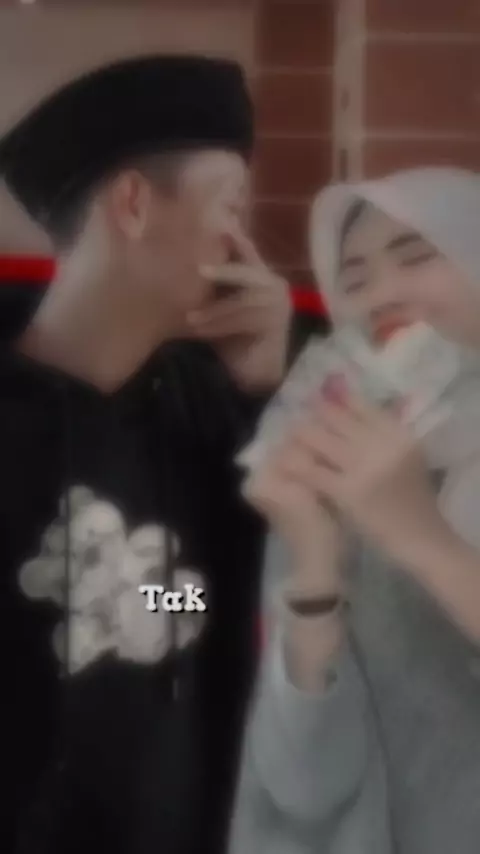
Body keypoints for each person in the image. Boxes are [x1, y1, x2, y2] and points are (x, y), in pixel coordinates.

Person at [0, 55, 291, 853]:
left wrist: (264, 395)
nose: (243, 244)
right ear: (133, 203)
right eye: (230, 205)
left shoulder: (211, 417)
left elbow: (229, 605)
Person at [229, 167, 480, 854]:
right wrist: (313, 574)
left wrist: (421, 535)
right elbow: (303, 787)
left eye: (416, 255)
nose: (381, 294)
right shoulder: (328, 451)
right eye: (355, 278)